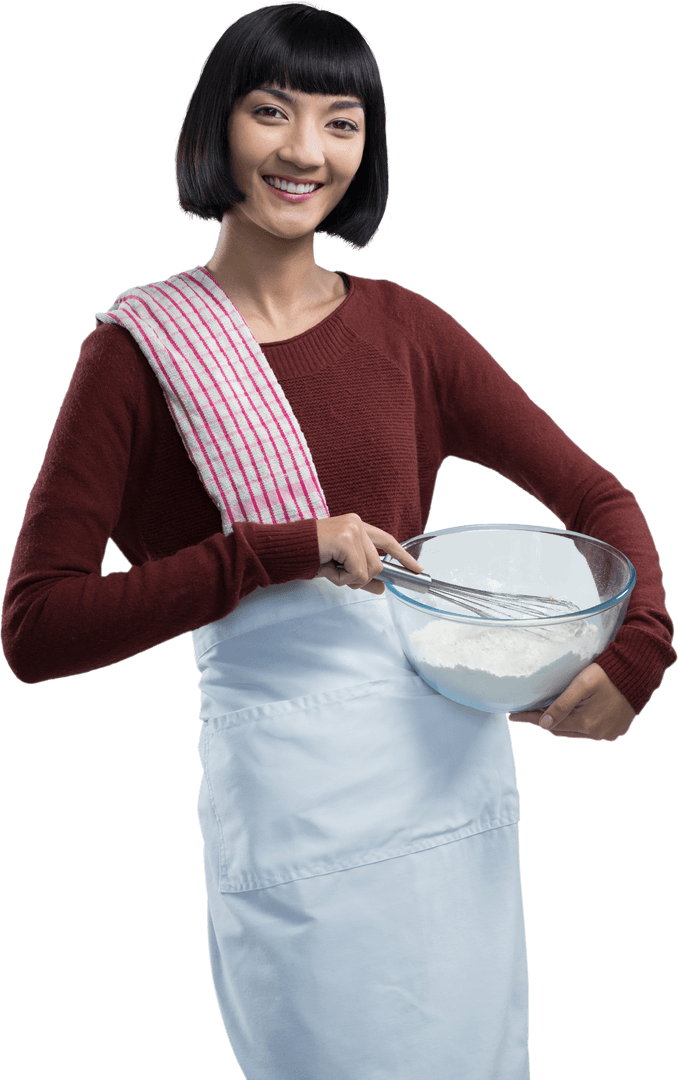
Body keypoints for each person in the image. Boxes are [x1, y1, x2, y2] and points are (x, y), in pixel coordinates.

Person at [2, 3, 674, 1078]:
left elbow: (597, 494)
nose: (306, 151)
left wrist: (640, 655)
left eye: (342, 121)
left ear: (369, 146)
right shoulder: (139, 357)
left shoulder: (409, 331)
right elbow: (36, 629)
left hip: (450, 798)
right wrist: (276, 549)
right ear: (218, 128)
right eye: (272, 112)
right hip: (293, 824)